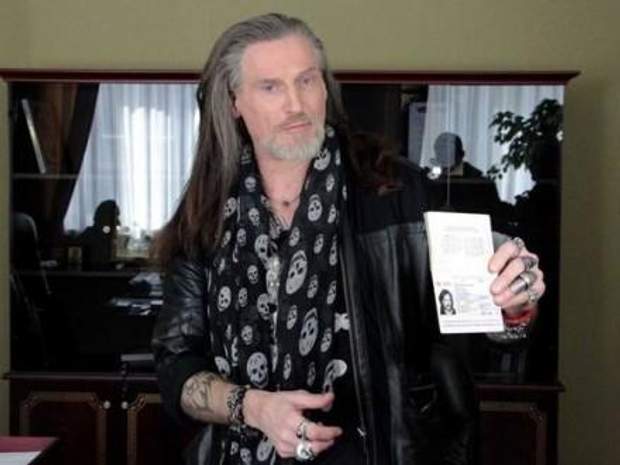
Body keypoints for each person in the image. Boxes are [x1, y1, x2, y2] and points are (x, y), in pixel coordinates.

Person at [152, 13, 546, 465]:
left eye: (307, 80)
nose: (296, 104)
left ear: (325, 88)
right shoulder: (205, 214)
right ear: (234, 101)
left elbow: (488, 321)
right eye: (271, 87)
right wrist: (254, 407)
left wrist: (514, 302)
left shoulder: (397, 193)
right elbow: (176, 367)